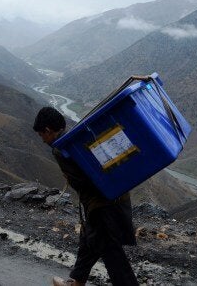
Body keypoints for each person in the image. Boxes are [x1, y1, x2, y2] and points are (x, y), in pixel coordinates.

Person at [33, 106, 138, 286]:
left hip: (102, 207)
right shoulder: (78, 135)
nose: (43, 140)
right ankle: (76, 281)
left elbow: (82, 183)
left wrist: (70, 177)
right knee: (88, 240)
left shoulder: (61, 149)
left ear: (48, 131)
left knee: (113, 256)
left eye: (42, 135)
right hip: (118, 197)